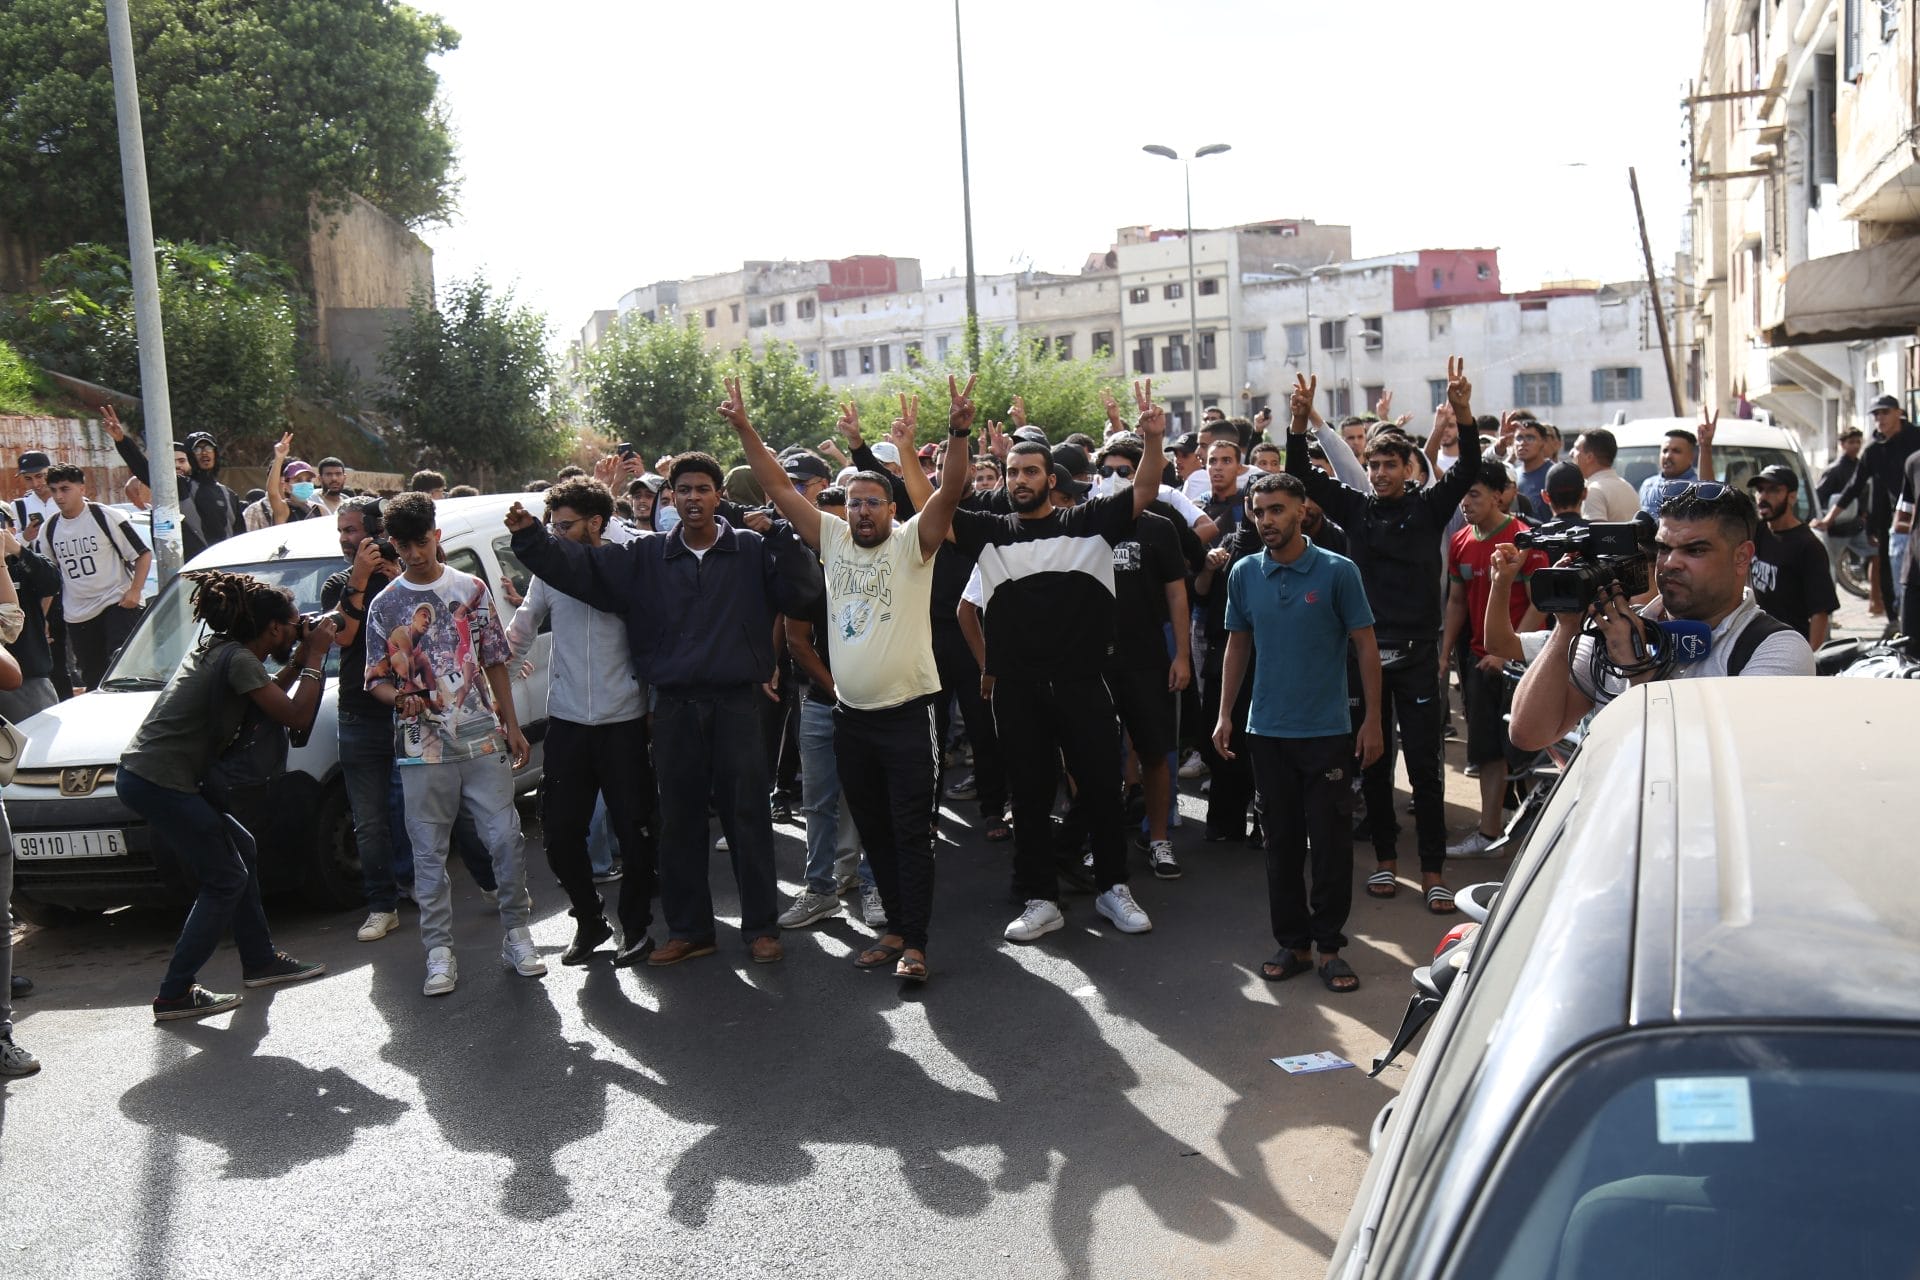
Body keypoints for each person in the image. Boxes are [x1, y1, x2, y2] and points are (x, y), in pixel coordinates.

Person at [506, 454, 817, 969]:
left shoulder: (751, 548)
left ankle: (761, 929)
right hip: (673, 707)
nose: (693, 498)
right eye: (683, 490)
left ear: (718, 496)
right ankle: (691, 930)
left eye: (703, 489)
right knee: (678, 823)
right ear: (669, 497)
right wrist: (531, 539)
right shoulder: (647, 555)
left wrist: (782, 534)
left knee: (747, 820)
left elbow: (804, 594)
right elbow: (581, 568)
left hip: (737, 703)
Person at [726, 377, 973, 983]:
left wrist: (957, 433)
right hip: (850, 720)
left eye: (874, 502)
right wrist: (744, 428)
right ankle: (892, 931)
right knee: (875, 832)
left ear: (893, 508)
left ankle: (915, 942)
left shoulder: (917, 543)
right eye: (854, 502)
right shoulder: (831, 540)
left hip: (910, 718)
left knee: (913, 834)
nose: (862, 510)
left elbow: (950, 491)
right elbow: (779, 486)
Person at [949, 381, 1169, 944]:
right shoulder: (990, 533)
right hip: (1018, 691)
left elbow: (1145, 488)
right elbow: (942, 498)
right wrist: (958, 433)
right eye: (1011, 472)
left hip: (1084, 684)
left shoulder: (1091, 523)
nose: (1018, 480)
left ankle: (1113, 887)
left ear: (1051, 479)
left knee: (1100, 788)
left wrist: (1153, 440)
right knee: (1027, 794)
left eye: (1029, 472)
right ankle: (1040, 898)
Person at [1287, 367, 1482, 907]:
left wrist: (1461, 415)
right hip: (1365, 652)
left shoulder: (1429, 507)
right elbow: (1298, 470)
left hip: (1419, 654)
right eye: (1371, 465)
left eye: (1387, 464)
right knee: (1371, 759)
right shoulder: (1356, 508)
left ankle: (1434, 870)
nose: (1377, 473)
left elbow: (1468, 466)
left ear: (1408, 467)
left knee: (1423, 767)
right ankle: (1386, 863)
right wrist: (1298, 421)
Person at [116, 570, 331, 1021]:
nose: (296, 630)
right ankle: (175, 992)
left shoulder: (224, 651)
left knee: (242, 850)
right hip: (162, 782)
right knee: (226, 878)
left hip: (149, 775)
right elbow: (294, 714)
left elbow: (269, 693)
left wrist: (299, 657)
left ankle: (260, 961)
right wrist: (315, 654)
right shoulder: (238, 661)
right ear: (273, 629)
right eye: (292, 625)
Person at [1211, 452, 1382, 995]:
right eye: (1259, 511)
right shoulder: (1243, 572)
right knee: (1280, 844)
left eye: (1277, 510)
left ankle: (1330, 947)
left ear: (1303, 512)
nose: (1267, 520)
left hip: (1328, 732)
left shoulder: (1338, 571)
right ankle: (1295, 944)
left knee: (1330, 846)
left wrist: (1373, 720)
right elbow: (1237, 644)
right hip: (1267, 734)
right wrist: (1223, 714)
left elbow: (1366, 647)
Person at [364, 493, 539, 997]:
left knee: (504, 836)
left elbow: (495, 659)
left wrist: (512, 723)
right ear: (393, 544)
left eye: (422, 541)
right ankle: (438, 952)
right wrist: (400, 696)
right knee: (428, 851)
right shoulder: (386, 604)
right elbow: (373, 679)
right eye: (405, 545)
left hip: (480, 732)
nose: (416, 553)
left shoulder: (472, 588)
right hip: (422, 744)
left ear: (436, 536)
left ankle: (517, 933)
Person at [1510, 483, 1817, 751]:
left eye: (1694, 551)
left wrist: (1638, 672)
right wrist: (1566, 627)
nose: (1670, 563)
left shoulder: (1776, 650)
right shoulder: (1617, 629)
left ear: (1741, 557)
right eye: (1663, 548)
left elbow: (1728, 759)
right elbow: (1529, 734)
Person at [506, 478, 658, 967]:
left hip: (626, 721)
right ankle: (589, 919)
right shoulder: (550, 570)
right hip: (568, 720)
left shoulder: (634, 557)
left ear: (596, 523)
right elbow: (520, 632)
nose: (556, 536)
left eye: (564, 526)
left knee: (636, 833)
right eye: (551, 527)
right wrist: (487, 690)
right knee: (560, 831)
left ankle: (635, 929)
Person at [1092, 433, 1193, 878]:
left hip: (1148, 655)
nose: (1114, 478)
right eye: (1106, 470)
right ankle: (1096, 839)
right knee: (1090, 756)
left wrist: (1183, 656)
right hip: (1091, 660)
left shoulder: (1159, 526)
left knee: (1154, 752)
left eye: (1124, 471)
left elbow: (1177, 594)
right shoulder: (1084, 522)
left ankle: (1158, 838)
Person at [1441, 463, 1547, 859]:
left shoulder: (1523, 539)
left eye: (1475, 494)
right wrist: (1445, 655)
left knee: (1532, 752)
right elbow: (1455, 602)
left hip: (1523, 665)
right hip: (1477, 661)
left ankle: (1537, 844)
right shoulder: (1460, 541)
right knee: (1487, 750)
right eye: (1463, 495)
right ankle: (1490, 833)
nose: (1466, 503)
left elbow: (1539, 602)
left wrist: (1507, 653)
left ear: (1499, 495)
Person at [319, 497, 410, 942]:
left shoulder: (405, 574)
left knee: (429, 809)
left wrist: (397, 579)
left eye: (353, 530)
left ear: (375, 531)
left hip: (410, 709)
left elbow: (422, 626)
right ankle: (381, 905)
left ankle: (489, 885)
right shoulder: (338, 583)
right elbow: (346, 635)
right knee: (369, 820)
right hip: (359, 714)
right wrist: (358, 576)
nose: (345, 539)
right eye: (341, 532)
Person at [34, 464, 151, 690]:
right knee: (93, 677)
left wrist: (135, 591)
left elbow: (142, 554)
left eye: (65, 489)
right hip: (78, 614)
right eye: (54, 489)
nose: (59, 496)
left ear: (82, 488)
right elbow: (49, 578)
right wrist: (43, 617)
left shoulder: (104, 516)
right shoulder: (49, 528)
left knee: (123, 668)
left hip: (116, 602)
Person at [1815, 396, 1917, 621]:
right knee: (1890, 573)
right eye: (1876, 414)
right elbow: (1854, 486)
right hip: (1890, 522)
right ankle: (1895, 622)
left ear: (1898, 412)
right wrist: (1829, 518)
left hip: (1916, 519)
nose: (1880, 418)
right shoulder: (1873, 451)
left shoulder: (1915, 440)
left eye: (1885, 412)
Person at [1748, 465, 1839, 647]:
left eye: (1774, 490)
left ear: (1792, 497)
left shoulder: (1808, 546)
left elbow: (1820, 612)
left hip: (1790, 645)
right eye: (1760, 490)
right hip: (1756, 640)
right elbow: (1715, 509)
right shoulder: (1758, 531)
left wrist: (1811, 659)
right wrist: (1705, 448)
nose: (1763, 497)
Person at [0, 525, 62, 722]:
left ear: (11, 528)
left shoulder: (23, 562)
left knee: (37, 746)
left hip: (30, 678)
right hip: (7, 673)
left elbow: (52, 583)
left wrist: (17, 549)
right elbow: (10, 616)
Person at [181, 432, 248, 556]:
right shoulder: (181, 487)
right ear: (190, 456)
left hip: (227, 566)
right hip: (196, 569)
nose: (204, 452)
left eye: (208, 448)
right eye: (197, 449)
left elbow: (241, 538)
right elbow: (146, 473)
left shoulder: (230, 495)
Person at [1573, 428, 1641, 522]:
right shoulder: (1628, 487)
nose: (1571, 454)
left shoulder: (1593, 491)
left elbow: (1597, 534)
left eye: (1576, 449)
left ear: (1589, 457)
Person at [1637, 426, 1699, 517]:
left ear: (1691, 457)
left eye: (1676, 451)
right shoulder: (1648, 485)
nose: (1668, 456)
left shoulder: (1699, 488)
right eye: (1665, 451)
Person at [1511, 420, 1555, 510]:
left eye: (1530, 438)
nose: (1523, 443)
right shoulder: (1512, 476)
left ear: (1543, 442)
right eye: (1519, 438)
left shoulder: (1554, 474)